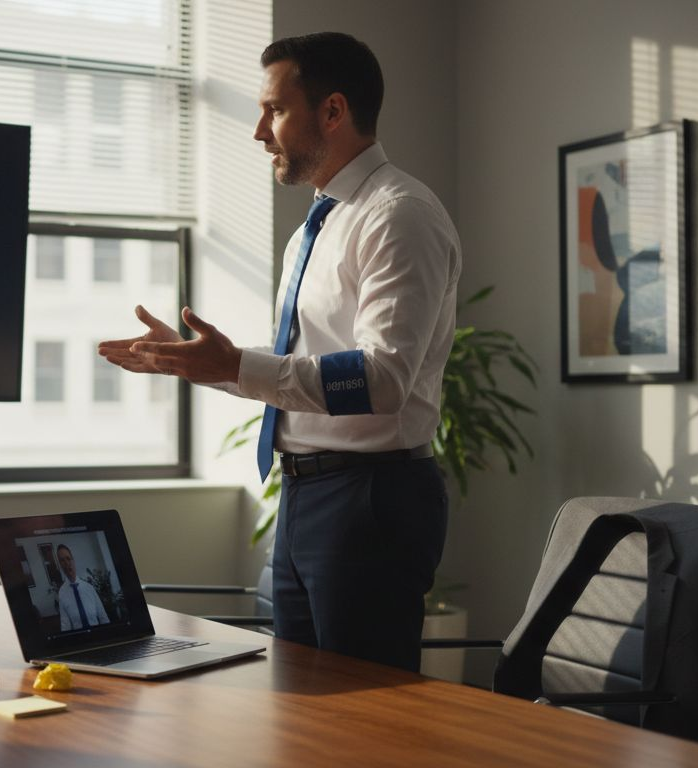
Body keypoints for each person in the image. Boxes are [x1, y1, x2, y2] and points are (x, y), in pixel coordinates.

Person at [97, 32, 461, 671]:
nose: (259, 130)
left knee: (363, 717)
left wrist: (234, 365)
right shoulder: (315, 228)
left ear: (332, 111)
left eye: (274, 110)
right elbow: (308, 363)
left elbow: (382, 379)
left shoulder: (399, 215)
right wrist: (202, 362)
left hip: (370, 501)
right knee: (297, 710)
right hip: (303, 496)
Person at [54, 544, 110, 631]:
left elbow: (103, 617)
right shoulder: (62, 593)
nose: (66, 563)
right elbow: (65, 625)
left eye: (68, 558)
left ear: (73, 560)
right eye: (62, 560)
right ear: (60, 565)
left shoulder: (89, 588)